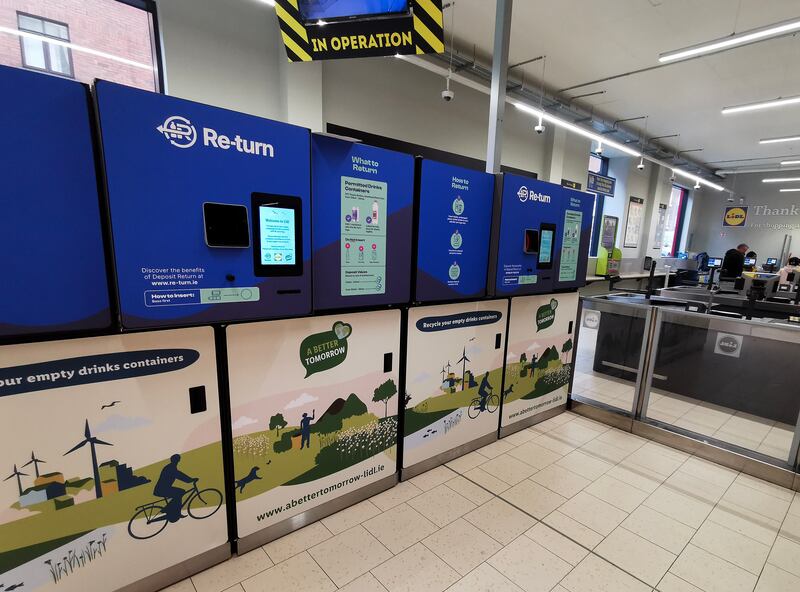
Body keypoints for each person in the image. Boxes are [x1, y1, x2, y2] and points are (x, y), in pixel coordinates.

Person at [153, 454, 197, 522]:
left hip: (162, 488)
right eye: (177, 459)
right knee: (180, 492)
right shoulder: (171, 468)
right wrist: (190, 480)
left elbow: (179, 474)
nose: (177, 461)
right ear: (178, 460)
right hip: (161, 489)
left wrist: (190, 480)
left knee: (180, 492)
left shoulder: (171, 467)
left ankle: (171, 509)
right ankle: (170, 509)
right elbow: (179, 475)